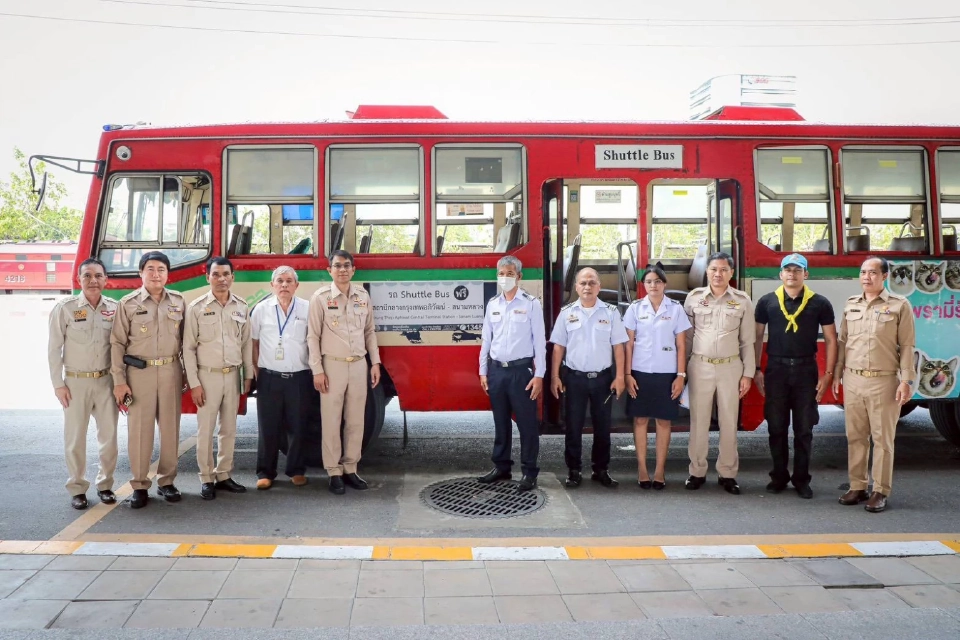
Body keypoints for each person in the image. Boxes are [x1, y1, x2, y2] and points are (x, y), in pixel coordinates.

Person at [832, 256, 915, 513]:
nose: (867, 277)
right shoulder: (851, 305)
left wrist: (907, 380)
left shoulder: (899, 306)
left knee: (883, 440)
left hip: (884, 380)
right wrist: (837, 374)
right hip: (854, 379)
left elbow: (907, 346)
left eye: (873, 273)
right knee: (856, 436)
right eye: (863, 272)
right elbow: (843, 342)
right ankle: (857, 486)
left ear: (884, 276)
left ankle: (880, 490)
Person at [754, 253, 838, 499]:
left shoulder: (820, 303)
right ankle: (779, 476)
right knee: (776, 427)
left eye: (797, 270)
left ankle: (801, 479)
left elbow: (832, 339)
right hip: (776, 370)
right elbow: (757, 337)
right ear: (780, 274)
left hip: (805, 370)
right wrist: (756, 369)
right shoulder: (767, 302)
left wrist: (828, 374)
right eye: (787, 270)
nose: (792, 274)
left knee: (804, 429)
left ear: (806, 274)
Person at [111, 251, 186, 509]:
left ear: (167, 274)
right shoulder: (128, 303)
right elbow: (117, 343)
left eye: (161, 270)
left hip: (170, 371)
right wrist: (119, 380)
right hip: (138, 374)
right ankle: (140, 485)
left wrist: (188, 376)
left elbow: (187, 343)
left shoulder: (178, 301)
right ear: (141, 273)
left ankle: (167, 482)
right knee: (139, 432)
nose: (156, 274)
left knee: (170, 430)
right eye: (151, 269)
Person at [47, 258, 119, 510]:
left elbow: (120, 348)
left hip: (107, 382)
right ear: (79, 279)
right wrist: (58, 384)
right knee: (75, 438)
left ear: (105, 279)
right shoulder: (65, 308)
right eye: (87, 276)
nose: (93, 280)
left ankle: (106, 485)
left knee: (109, 438)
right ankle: (77, 487)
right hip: (76, 383)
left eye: (98, 275)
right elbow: (54, 349)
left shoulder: (114, 308)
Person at [307, 250, 381, 495]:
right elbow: (313, 336)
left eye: (346, 266)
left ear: (353, 270)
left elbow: (369, 332)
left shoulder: (362, 295)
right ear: (329, 270)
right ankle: (333, 471)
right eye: (337, 266)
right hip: (332, 366)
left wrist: (375, 363)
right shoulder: (320, 298)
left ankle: (350, 468)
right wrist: (317, 370)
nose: (342, 270)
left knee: (356, 420)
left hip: (359, 364)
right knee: (331, 421)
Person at [683, 251, 755, 495]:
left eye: (724, 270)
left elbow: (748, 341)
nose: (718, 274)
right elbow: (687, 338)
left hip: (730, 367)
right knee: (698, 421)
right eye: (714, 269)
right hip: (699, 365)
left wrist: (748, 374)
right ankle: (697, 471)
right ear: (707, 271)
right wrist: (682, 372)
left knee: (728, 421)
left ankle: (727, 473)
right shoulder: (693, 299)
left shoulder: (742, 300)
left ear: (731, 273)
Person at [550, 267, 628, 489]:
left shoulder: (611, 312)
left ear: (599, 287)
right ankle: (574, 470)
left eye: (592, 283)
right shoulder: (566, 313)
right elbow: (558, 348)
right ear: (576, 287)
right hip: (574, 379)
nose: (587, 287)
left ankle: (601, 469)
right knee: (573, 426)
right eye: (583, 283)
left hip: (603, 379)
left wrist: (620, 376)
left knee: (603, 427)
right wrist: (555, 376)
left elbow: (619, 347)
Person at [183, 257, 253, 500]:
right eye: (216, 274)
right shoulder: (197, 307)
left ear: (232, 277)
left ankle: (223, 474)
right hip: (207, 376)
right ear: (208, 277)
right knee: (206, 430)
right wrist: (194, 383)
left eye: (226, 274)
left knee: (229, 429)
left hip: (232, 376)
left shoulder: (241, 307)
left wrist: (248, 375)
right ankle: (206, 478)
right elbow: (188, 349)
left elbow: (245, 344)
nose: (221, 279)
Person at [477, 256, 546, 492]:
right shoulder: (493, 304)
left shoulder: (531, 304)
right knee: (500, 422)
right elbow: (487, 339)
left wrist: (539, 376)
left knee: (527, 425)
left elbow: (540, 343)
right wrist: (483, 371)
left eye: (509, 273)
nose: (504, 277)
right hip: (497, 372)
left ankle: (529, 472)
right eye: (501, 273)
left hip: (521, 372)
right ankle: (501, 467)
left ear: (519, 276)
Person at [624, 263, 691, 490]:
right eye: (649, 281)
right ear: (644, 285)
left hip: (667, 373)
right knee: (640, 420)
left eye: (658, 281)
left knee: (664, 421)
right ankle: (642, 469)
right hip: (640, 373)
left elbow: (681, 345)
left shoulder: (675, 309)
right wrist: (627, 374)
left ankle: (660, 470)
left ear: (664, 284)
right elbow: (629, 344)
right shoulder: (635, 308)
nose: (653, 285)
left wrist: (680, 376)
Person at [250, 266, 317, 490]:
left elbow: (314, 342)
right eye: (280, 281)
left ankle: (296, 470)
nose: (284, 285)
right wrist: (258, 372)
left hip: (299, 377)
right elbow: (254, 343)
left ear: (297, 285)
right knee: (268, 426)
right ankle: (265, 472)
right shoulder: (261, 309)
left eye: (289, 281)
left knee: (298, 426)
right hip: (269, 378)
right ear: (272, 285)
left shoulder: (308, 308)